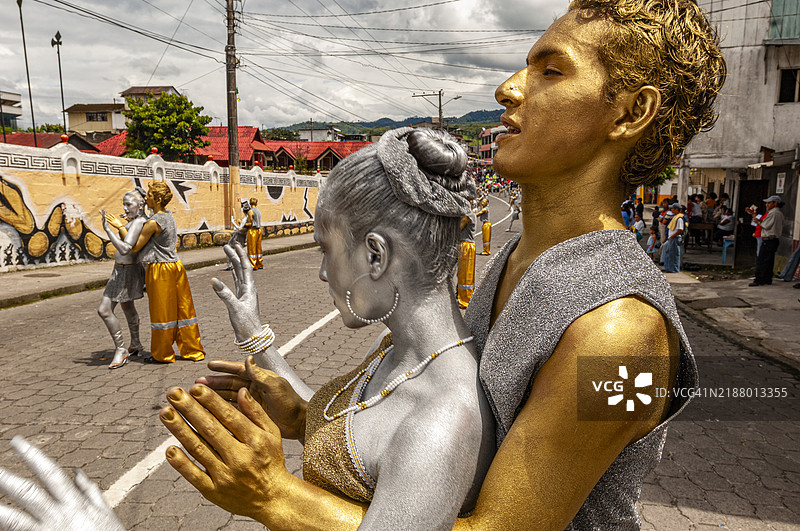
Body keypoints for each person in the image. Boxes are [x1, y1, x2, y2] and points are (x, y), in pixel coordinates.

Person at [0, 0, 723, 528]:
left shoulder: (624, 336)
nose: (508, 88)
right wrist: (306, 412)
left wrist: (275, 495)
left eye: (549, 68)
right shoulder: (521, 254)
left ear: (629, 112)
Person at [164, 128, 495, 529]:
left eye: (326, 249)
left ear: (375, 255)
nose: (323, 273)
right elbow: (351, 427)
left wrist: (270, 493)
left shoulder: (441, 422)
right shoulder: (395, 349)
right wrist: (254, 332)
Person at [105, 182, 206, 363]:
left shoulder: (153, 223)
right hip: (175, 266)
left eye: (150, 195)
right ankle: (192, 349)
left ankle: (162, 354)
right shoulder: (167, 215)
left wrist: (119, 227)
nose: (146, 198)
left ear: (158, 199)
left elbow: (134, 248)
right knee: (183, 311)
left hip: (160, 269)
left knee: (162, 313)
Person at [99, 188, 147, 369]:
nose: (125, 208)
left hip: (125, 271)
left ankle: (121, 349)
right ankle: (135, 343)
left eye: (129, 204)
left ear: (140, 205)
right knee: (127, 306)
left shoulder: (139, 222)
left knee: (104, 310)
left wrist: (108, 230)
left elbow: (126, 249)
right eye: (124, 205)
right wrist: (125, 224)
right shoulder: (136, 221)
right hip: (124, 269)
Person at [750, 195, 785, 287]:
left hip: (769, 239)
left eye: (769, 203)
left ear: (775, 203)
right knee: (768, 260)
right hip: (772, 239)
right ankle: (766, 278)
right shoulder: (777, 213)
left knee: (763, 260)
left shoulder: (774, 213)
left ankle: (760, 279)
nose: (767, 205)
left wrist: (757, 221)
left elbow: (765, 225)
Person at [457, 205, 478, 309]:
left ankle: (465, 299)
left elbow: (459, 228)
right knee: (466, 273)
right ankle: (466, 296)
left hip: (466, 246)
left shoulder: (467, 216)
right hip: (468, 246)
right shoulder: (471, 214)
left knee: (464, 274)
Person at [662, 203, 685, 273]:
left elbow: (680, 229)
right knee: (669, 253)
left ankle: (673, 269)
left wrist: (672, 236)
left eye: (673, 209)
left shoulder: (679, 219)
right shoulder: (675, 217)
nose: (672, 210)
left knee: (674, 254)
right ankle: (668, 267)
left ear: (677, 210)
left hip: (675, 238)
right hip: (671, 238)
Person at [245, 196, 263, 270]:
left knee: (252, 248)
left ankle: (253, 264)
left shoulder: (250, 211)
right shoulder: (258, 211)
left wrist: (242, 223)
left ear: (250, 203)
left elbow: (250, 223)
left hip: (252, 231)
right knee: (258, 248)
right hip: (259, 230)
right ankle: (259, 263)